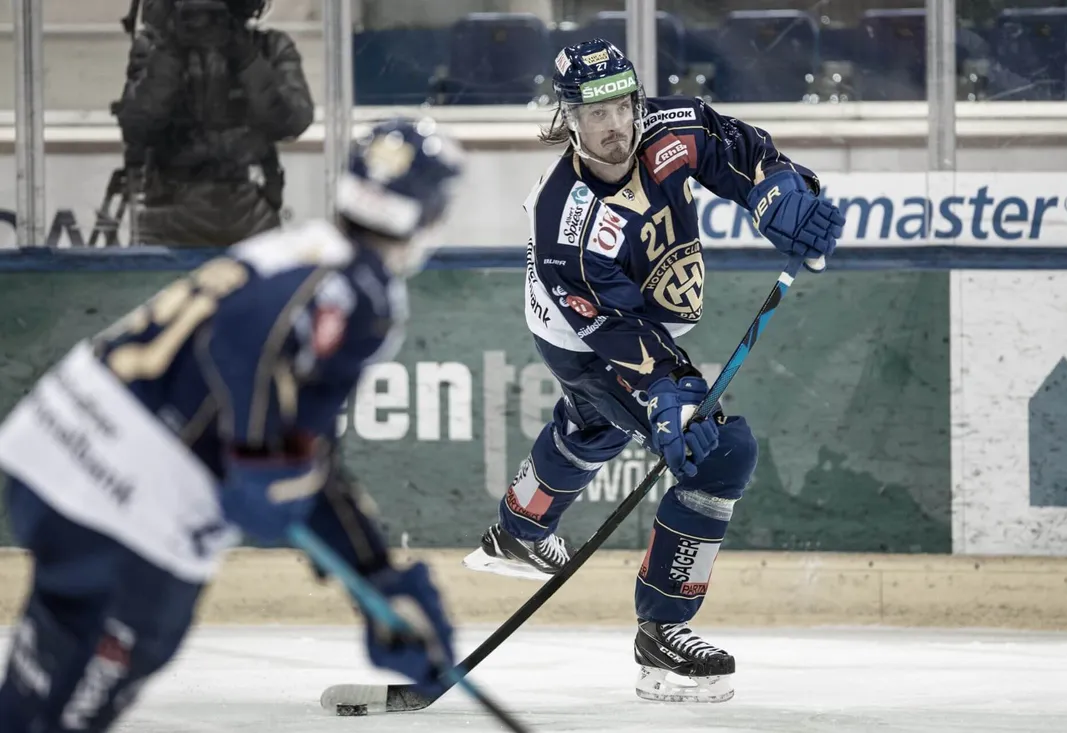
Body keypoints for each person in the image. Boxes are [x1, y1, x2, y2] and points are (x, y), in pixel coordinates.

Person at [0, 118, 463, 732]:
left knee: (39, 689)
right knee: (85, 696)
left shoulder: (297, 248)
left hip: (51, 446)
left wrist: (374, 574)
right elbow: (246, 344)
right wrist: (260, 451)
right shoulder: (362, 289)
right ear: (429, 213)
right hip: (134, 505)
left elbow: (304, 450)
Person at [462, 39, 845, 703]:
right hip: (582, 337)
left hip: (630, 321)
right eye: (594, 112)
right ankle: (662, 633)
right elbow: (623, 336)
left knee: (594, 426)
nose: (613, 125)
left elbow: (739, 152)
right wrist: (673, 401)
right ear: (568, 119)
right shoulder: (566, 222)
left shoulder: (671, 129)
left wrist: (781, 196)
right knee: (720, 452)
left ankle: (520, 529)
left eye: (622, 104)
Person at [114, 0, 314, 247]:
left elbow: (293, 122)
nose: (205, 19)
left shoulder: (268, 47)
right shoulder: (155, 48)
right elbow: (137, 126)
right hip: (169, 213)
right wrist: (171, 54)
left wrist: (246, 58)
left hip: (248, 207)